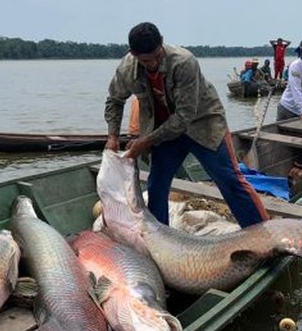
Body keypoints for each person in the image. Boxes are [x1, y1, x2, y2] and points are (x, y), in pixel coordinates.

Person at [104, 22, 268, 227]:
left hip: (203, 124)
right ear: (133, 53)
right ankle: (159, 236)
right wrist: (112, 137)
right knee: (156, 185)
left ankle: (262, 232)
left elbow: (184, 117)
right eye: (145, 60)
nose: (152, 63)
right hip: (164, 131)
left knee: (229, 180)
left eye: (156, 56)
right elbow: (114, 100)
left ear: (162, 42)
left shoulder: (183, 62)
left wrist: (145, 142)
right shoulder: (127, 69)